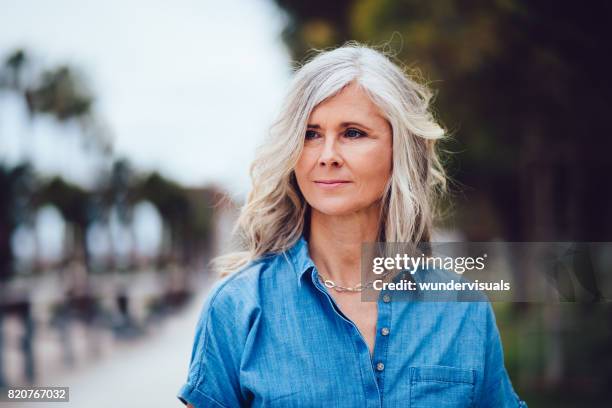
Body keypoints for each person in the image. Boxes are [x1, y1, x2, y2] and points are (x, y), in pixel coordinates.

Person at [177, 43, 527, 407]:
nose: (327, 156)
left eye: (353, 133)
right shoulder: (238, 307)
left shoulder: (462, 308)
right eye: (311, 134)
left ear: (400, 149)